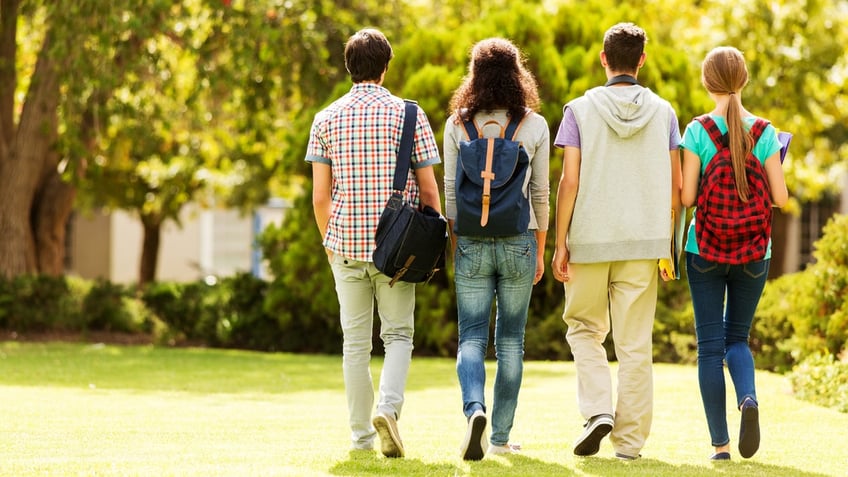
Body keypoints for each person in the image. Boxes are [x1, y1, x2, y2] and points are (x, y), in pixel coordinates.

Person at [305, 28, 442, 458]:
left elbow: (319, 196)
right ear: (386, 67)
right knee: (399, 335)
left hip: (345, 244)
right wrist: (437, 239)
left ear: (349, 68)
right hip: (398, 251)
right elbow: (429, 190)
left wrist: (331, 246)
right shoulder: (408, 114)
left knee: (355, 346)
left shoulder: (326, 118)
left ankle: (362, 438)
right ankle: (388, 410)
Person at [551, 22, 682, 460]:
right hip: (645, 244)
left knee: (584, 330)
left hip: (588, 239)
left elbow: (569, 181)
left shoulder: (578, 110)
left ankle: (596, 413)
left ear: (603, 59)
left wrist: (560, 242)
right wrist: (667, 245)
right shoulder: (665, 113)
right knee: (634, 347)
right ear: (641, 60)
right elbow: (676, 187)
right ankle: (628, 446)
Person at [443, 37, 550, 461]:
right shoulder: (533, 125)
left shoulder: (457, 124)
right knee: (511, 341)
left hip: (471, 240)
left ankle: (475, 410)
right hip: (519, 240)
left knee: (470, 335)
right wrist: (540, 249)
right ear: (516, 74)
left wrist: (457, 243)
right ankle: (501, 437)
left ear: (474, 75)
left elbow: (452, 194)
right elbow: (540, 194)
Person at [680, 46, 788, 461]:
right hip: (754, 252)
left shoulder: (697, 131)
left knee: (709, 347)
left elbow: (689, 196)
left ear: (708, 83)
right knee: (737, 339)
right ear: (743, 80)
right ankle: (748, 400)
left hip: (704, 248)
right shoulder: (765, 132)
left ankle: (721, 446)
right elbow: (779, 197)